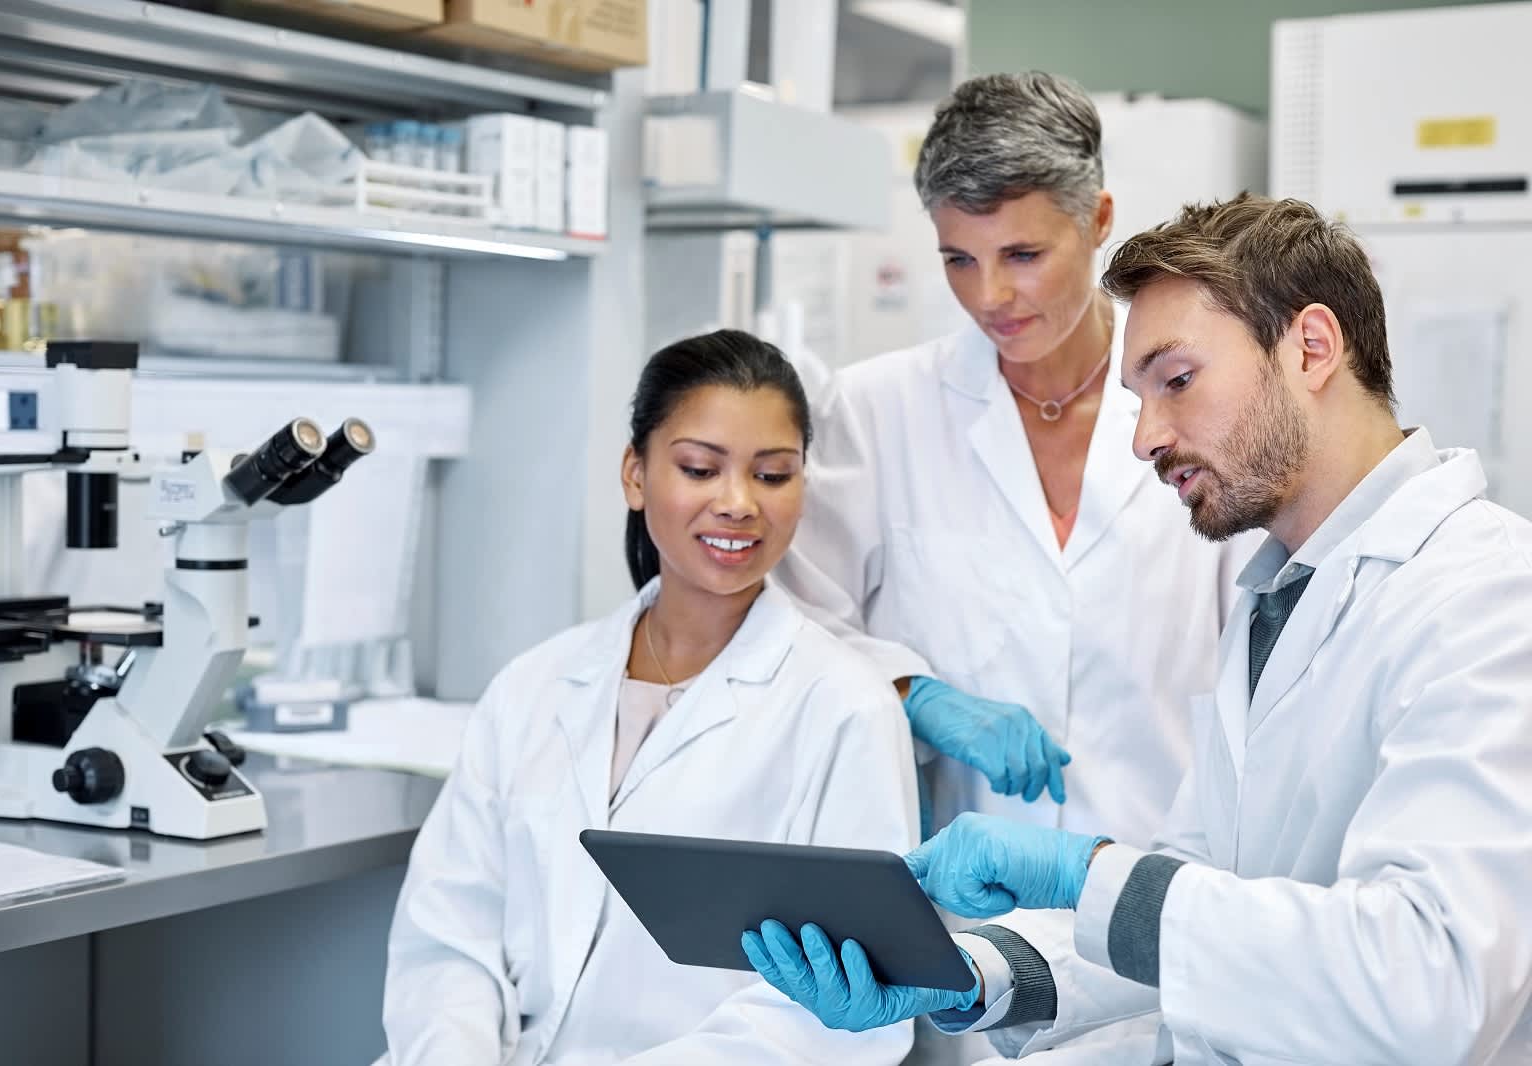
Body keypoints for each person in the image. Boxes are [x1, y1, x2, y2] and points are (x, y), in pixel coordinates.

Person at [745, 194, 1532, 1064]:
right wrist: (974, 973)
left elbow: (1434, 980)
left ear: (1312, 346)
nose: (1145, 436)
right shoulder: (1280, 597)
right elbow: (1199, 905)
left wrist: (1083, 873)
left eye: (1178, 381)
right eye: (1138, 396)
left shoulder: (1488, 596)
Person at [381, 329, 918, 1065]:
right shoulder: (533, 687)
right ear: (635, 475)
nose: (737, 504)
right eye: (700, 468)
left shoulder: (845, 708)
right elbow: (448, 936)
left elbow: (837, 1009)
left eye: (773, 475)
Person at [775, 71, 1251, 859]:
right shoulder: (877, 410)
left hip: (1162, 897)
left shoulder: (1202, 403)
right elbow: (794, 624)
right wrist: (909, 692)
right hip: (960, 912)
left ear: (1098, 220)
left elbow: (1262, 662)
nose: (990, 294)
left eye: (1023, 254)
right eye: (958, 259)